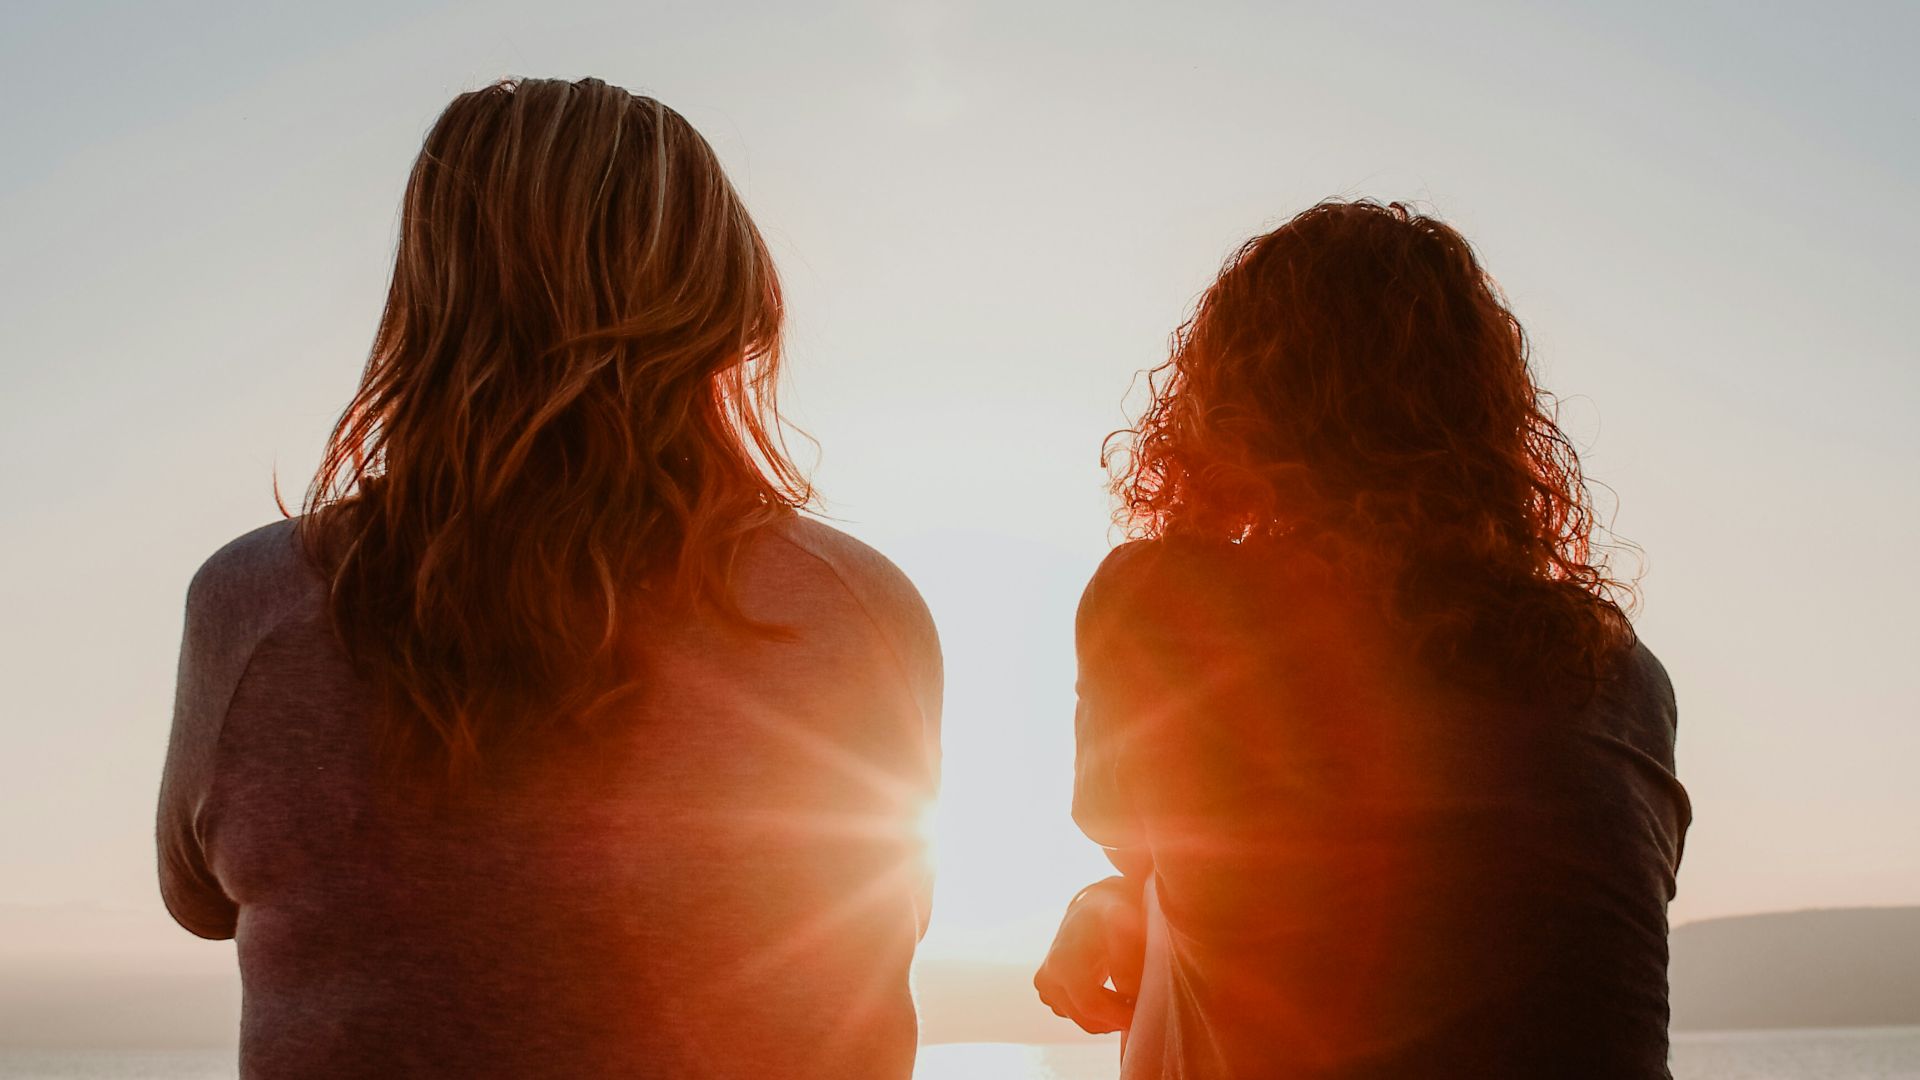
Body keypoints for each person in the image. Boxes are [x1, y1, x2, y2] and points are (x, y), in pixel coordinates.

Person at [156, 77, 941, 1080]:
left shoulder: (259, 599)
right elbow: (890, 918)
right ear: (725, 290)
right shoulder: (857, 606)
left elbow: (198, 900)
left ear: (428, 291)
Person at [1034, 201, 1690, 1078]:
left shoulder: (1163, 604)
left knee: (1168, 918)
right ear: (1489, 417)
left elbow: (1134, 835)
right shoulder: (1621, 671)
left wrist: (1114, 894)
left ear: (1230, 408)